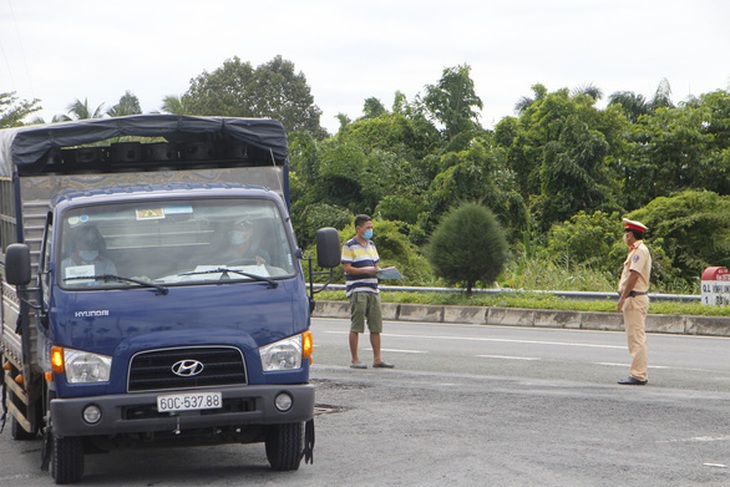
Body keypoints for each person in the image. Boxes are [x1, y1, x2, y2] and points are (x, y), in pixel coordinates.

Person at [341, 214, 394, 369]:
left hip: (373, 289)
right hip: (358, 289)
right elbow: (347, 268)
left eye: (371, 227)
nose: (370, 230)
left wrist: (380, 271)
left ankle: (377, 359)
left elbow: (376, 265)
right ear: (359, 229)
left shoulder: (371, 245)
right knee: (356, 326)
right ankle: (355, 359)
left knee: (376, 326)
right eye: (368, 227)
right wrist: (366, 270)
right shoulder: (349, 245)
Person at [617, 218, 652, 385]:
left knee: (636, 337)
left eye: (626, 233)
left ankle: (638, 374)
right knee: (635, 337)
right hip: (635, 298)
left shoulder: (639, 251)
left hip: (635, 298)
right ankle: (638, 372)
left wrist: (623, 296)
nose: (625, 236)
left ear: (631, 234)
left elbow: (634, 275)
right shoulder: (636, 250)